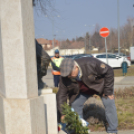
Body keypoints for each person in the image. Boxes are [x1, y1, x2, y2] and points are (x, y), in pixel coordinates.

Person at [57, 57, 118, 134]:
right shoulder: (65, 76)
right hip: (83, 91)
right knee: (75, 104)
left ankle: (112, 130)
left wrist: (108, 91)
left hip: (101, 87)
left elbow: (109, 70)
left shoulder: (90, 63)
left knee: (109, 103)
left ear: (76, 67)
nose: (68, 77)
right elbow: (61, 95)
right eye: (67, 75)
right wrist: (63, 114)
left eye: (69, 74)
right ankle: (80, 129)